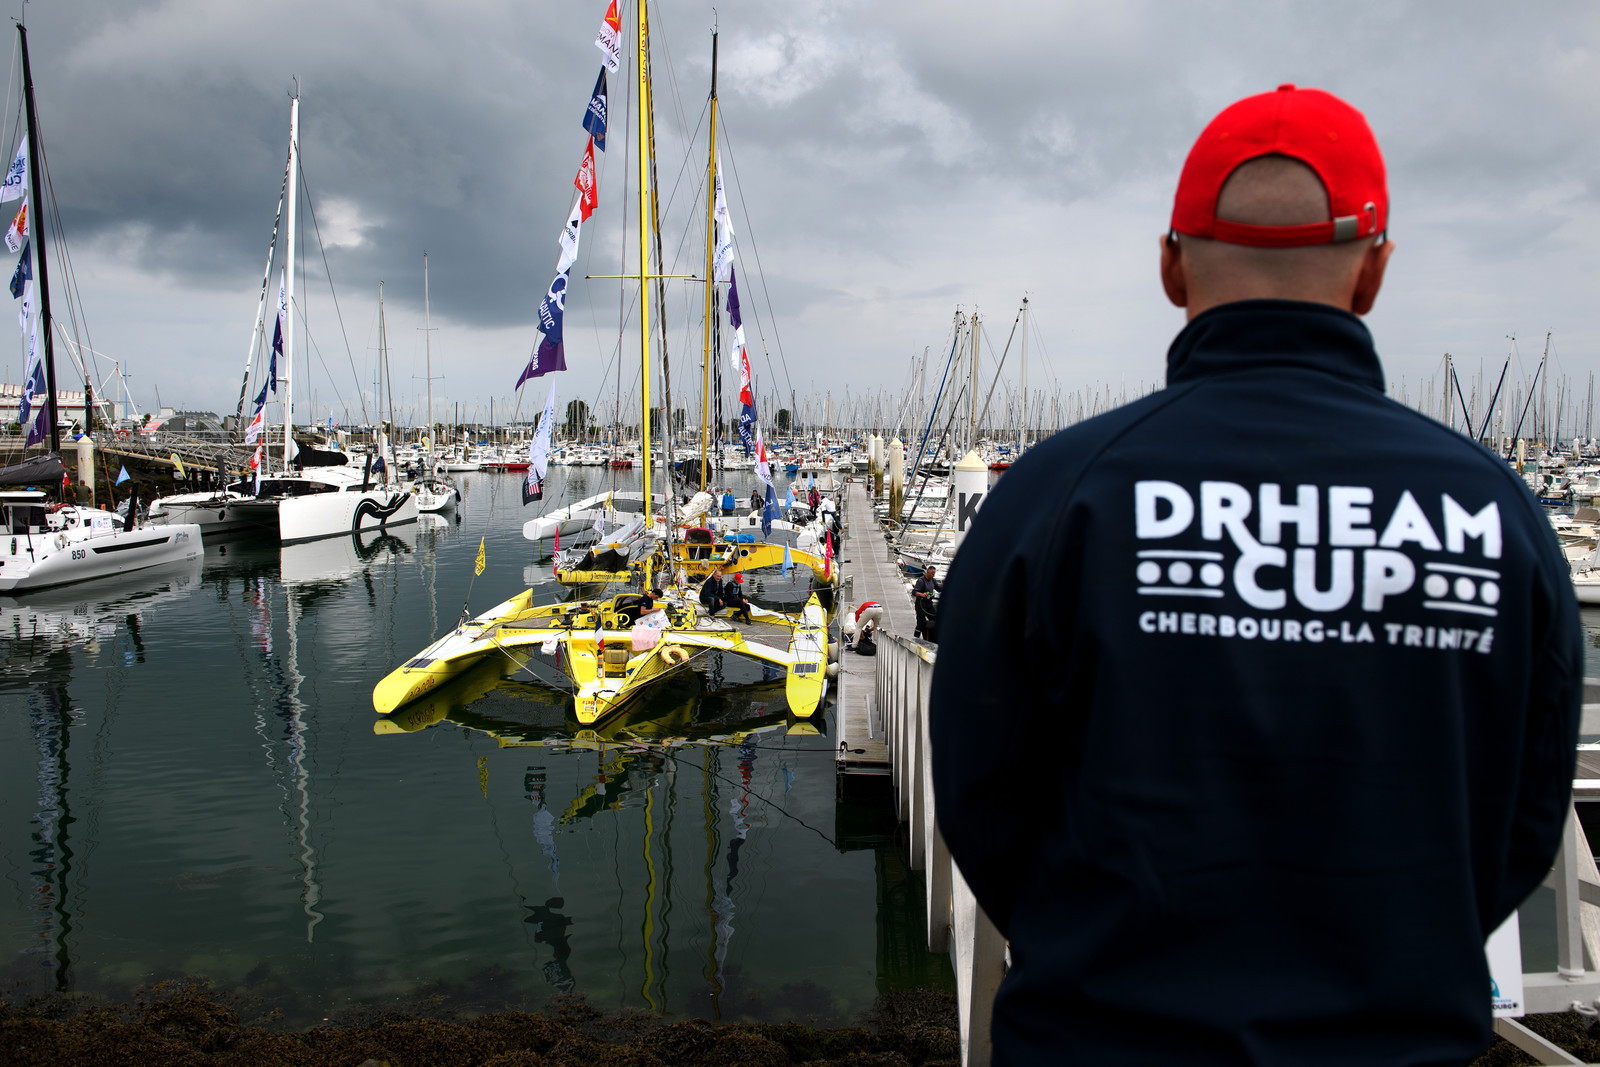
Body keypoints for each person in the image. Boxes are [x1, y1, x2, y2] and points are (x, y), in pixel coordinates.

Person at [929, 85, 1580, 1066]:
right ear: (1373, 271)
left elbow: (980, 791)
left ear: (1170, 265)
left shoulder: (1057, 498)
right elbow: (1524, 818)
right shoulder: (1497, 514)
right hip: (1397, 1043)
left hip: (1101, 1036)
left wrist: (1095, 948)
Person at [911, 566, 939, 642]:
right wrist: (922, 594)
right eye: (932, 574)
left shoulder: (933, 580)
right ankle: (915, 639)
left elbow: (938, 588)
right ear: (928, 573)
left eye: (934, 574)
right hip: (921, 604)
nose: (933, 575)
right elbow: (914, 592)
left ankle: (933, 639)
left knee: (935, 619)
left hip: (929, 604)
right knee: (920, 624)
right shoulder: (921, 581)